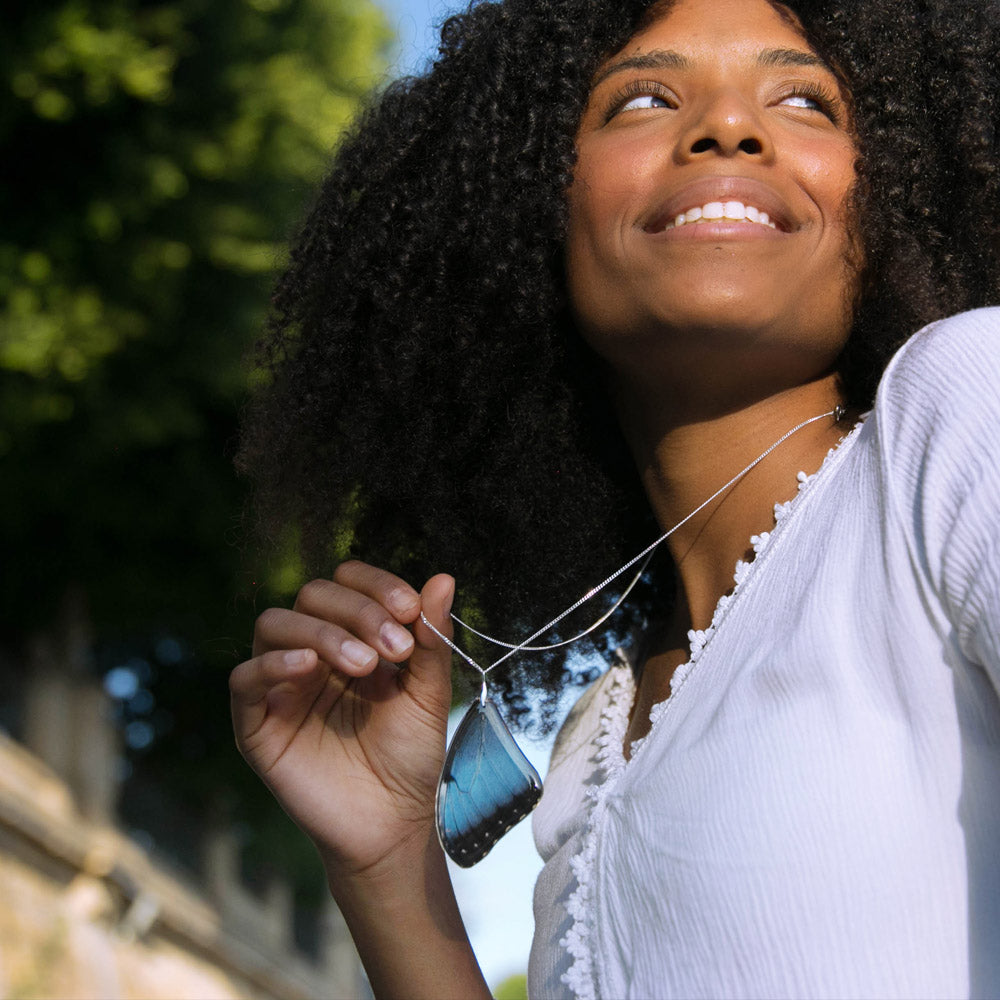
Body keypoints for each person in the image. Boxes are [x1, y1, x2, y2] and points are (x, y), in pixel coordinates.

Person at [230, 0, 1000, 995]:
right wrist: (384, 862)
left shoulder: (962, 403)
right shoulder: (593, 735)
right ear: (526, 207)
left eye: (806, 100)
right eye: (641, 98)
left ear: (891, 198)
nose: (730, 126)